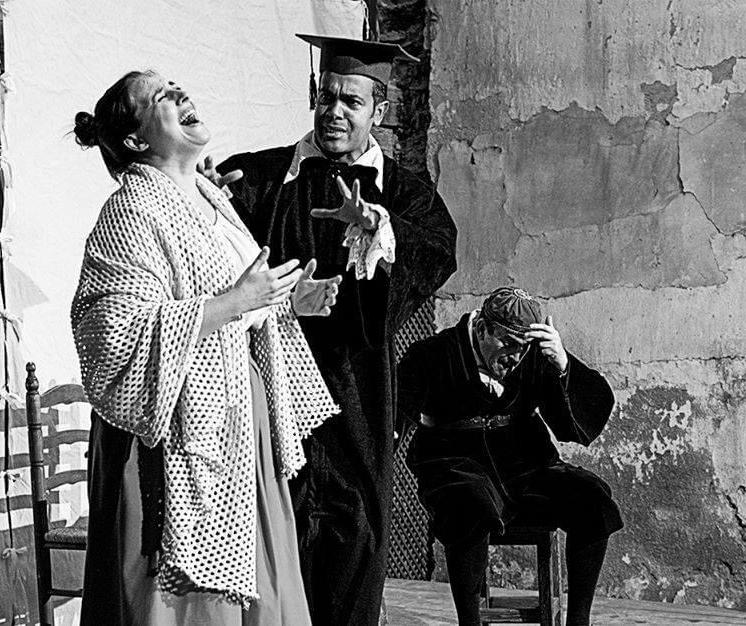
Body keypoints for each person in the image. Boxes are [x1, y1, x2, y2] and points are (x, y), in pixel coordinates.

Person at [70, 70, 343, 625]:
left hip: (239, 426)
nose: (178, 92)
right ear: (135, 140)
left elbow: (233, 305)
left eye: (174, 83)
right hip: (174, 438)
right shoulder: (130, 212)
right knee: (186, 606)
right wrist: (238, 301)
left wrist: (287, 303)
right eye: (158, 96)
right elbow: (111, 335)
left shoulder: (211, 201)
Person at [203, 34, 458, 625]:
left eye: (351, 101)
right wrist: (207, 205)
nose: (334, 112)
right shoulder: (259, 178)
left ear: (379, 112)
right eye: (326, 97)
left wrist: (378, 227)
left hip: (356, 397)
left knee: (354, 543)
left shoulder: (403, 193)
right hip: (270, 396)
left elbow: (438, 252)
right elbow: (212, 275)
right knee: (272, 553)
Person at [398, 286, 623, 626]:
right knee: (470, 506)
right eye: (507, 343)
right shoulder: (432, 354)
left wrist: (562, 364)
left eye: (524, 347)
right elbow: (397, 414)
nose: (515, 356)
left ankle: (579, 622)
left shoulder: (535, 356)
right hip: (454, 465)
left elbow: (570, 426)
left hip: (526, 466)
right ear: (482, 328)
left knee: (593, 499)